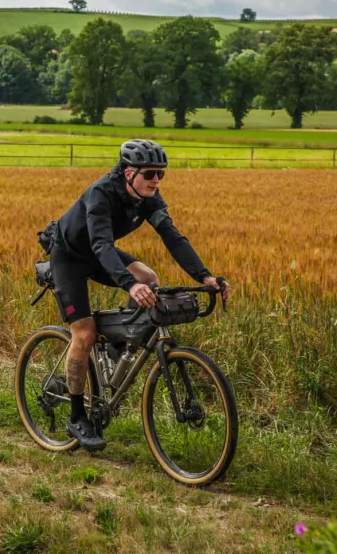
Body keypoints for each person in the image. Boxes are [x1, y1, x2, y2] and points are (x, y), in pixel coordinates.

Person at [49, 139, 230, 451]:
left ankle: (118, 350)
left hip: (97, 252)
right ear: (129, 172)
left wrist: (205, 276)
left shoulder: (148, 198)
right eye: (150, 174)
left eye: (161, 174)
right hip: (70, 257)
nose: (156, 180)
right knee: (84, 333)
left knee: (149, 276)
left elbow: (173, 238)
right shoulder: (101, 195)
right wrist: (128, 284)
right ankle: (77, 416)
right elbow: (102, 246)